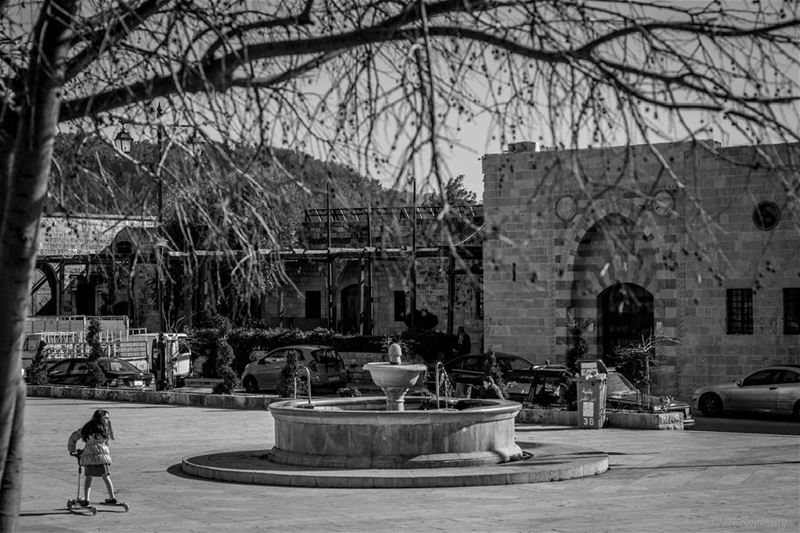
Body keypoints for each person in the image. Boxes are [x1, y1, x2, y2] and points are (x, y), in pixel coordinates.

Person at [67, 409, 117, 505]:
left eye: (107, 418)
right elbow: (107, 444)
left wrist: (72, 449)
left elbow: (74, 436)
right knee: (106, 477)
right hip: (102, 458)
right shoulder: (105, 429)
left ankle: (87, 499)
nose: (107, 420)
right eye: (105, 418)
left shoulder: (87, 427)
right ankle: (112, 497)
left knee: (88, 478)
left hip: (90, 457)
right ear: (99, 418)